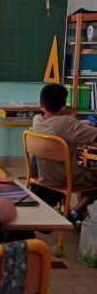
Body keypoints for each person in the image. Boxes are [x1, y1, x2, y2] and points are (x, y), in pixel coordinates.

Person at [32, 83, 97, 213]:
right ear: (63, 105)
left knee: (83, 168)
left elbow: (60, 126)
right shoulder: (67, 123)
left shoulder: (36, 120)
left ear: (41, 103)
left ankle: (78, 215)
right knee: (92, 175)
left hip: (41, 175)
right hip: (66, 178)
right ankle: (75, 213)